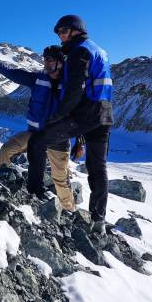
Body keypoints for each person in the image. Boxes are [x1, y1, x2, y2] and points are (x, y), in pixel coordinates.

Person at [28, 15, 113, 234]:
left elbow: (75, 88)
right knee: (97, 167)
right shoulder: (99, 50)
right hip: (104, 114)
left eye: (64, 31)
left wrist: (59, 115)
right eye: (58, 33)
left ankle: (33, 192)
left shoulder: (79, 51)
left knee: (37, 141)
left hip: (85, 114)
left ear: (76, 31)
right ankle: (98, 219)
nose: (61, 36)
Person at [0, 46, 76, 210]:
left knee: (60, 179)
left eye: (50, 59)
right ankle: (4, 188)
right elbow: (15, 73)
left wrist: (80, 140)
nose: (46, 63)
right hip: (34, 134)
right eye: (45, 59)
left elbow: (78, 113)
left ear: (60, 62)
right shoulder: (37, 79)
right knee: (6, 150)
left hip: (57, 139)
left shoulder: (70, 84)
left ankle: (70, 210)